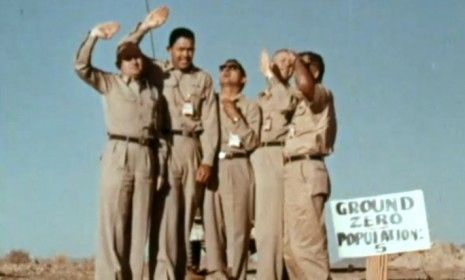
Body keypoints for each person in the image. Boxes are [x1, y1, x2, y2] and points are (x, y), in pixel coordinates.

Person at [120, 7, 219, 279]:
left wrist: (208, 159)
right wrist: (146, 27)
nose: (185, 54)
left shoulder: (204, 79)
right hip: (164, 147)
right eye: (180, 49)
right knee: (164, 219)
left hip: (192, 149)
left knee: (184, 221)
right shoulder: (156, 71)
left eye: (190, 49)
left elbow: (211, 123)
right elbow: (126, 49)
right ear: (169, 50)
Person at [74, 18, 168, 280]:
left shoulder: (153, 92)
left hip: (146, 156)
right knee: (113, 222)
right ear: (119, 64)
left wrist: (159, 166)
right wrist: (93, 35)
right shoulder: (109, 83)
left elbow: (159, 132)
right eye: (128, 58)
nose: (134, 61)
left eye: (137, 57)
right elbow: (81, 67)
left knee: (139, 228)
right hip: (118, 151)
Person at [203, 59, 260, 280]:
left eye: (233, 68)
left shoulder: (251, 106)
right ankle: (216, 274)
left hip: (237, 163)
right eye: (223, 67)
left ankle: (237, 276)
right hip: (211, 166)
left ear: (243, 78)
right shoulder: (209, 102)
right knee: (211, 226)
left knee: (238, 229)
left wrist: (233, 112)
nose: (226, 71)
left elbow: (252, 141)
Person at [282, 50, 336, 279]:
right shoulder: (295, 103)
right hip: (291, 170)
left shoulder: (320, 94)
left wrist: (295, 59)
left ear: (314, 71)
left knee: (308, 247)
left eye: (299, 66)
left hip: (307, 168)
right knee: (291, 249)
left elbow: (305, 84)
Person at [250, 49, 300, 280]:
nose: (282, 67)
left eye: (288, 63)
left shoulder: (290, 92)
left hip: (275, 153)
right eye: (278, 62)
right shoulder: (261, 96)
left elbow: (284, 103)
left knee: (271, 226)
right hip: (256, 154)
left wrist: (270, 74)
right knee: (260, 224)